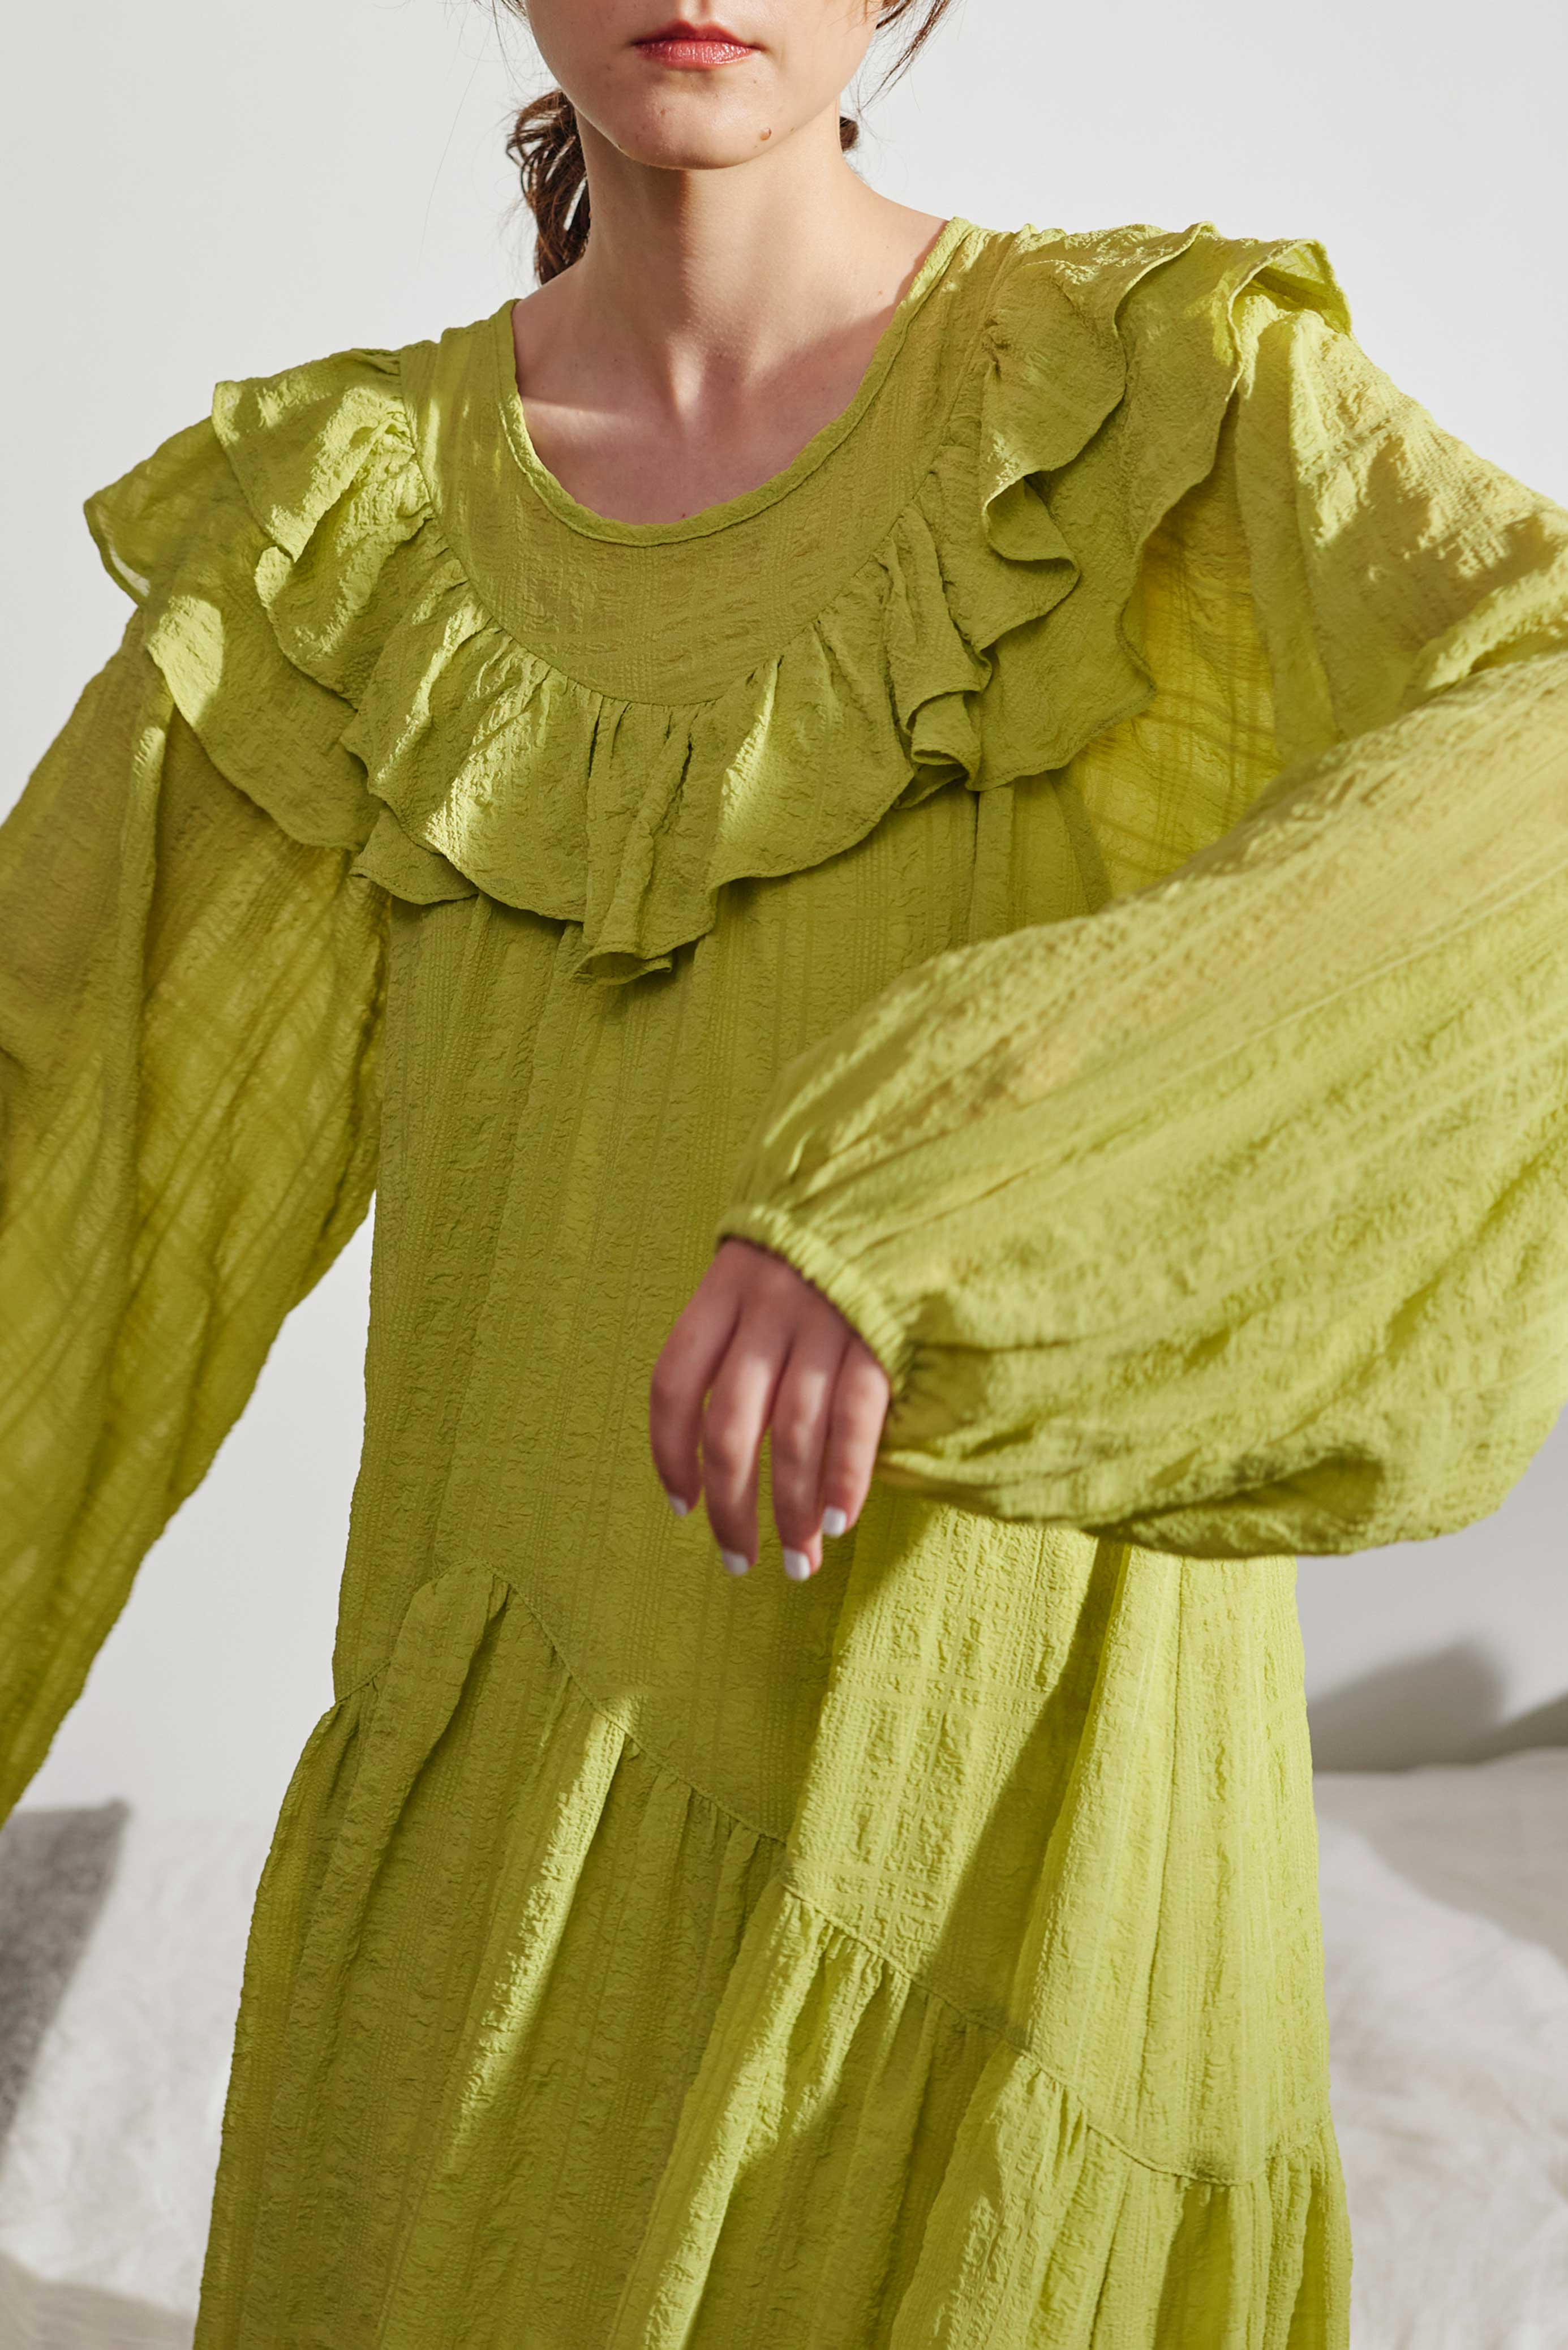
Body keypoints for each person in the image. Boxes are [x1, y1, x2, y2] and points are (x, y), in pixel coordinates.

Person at [2, 1, 1566, 2342]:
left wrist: (944, 1175)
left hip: (1015, 1827)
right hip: (499, 1862)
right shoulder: (341, 539)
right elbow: (50, 1178)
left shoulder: (1160, 405)